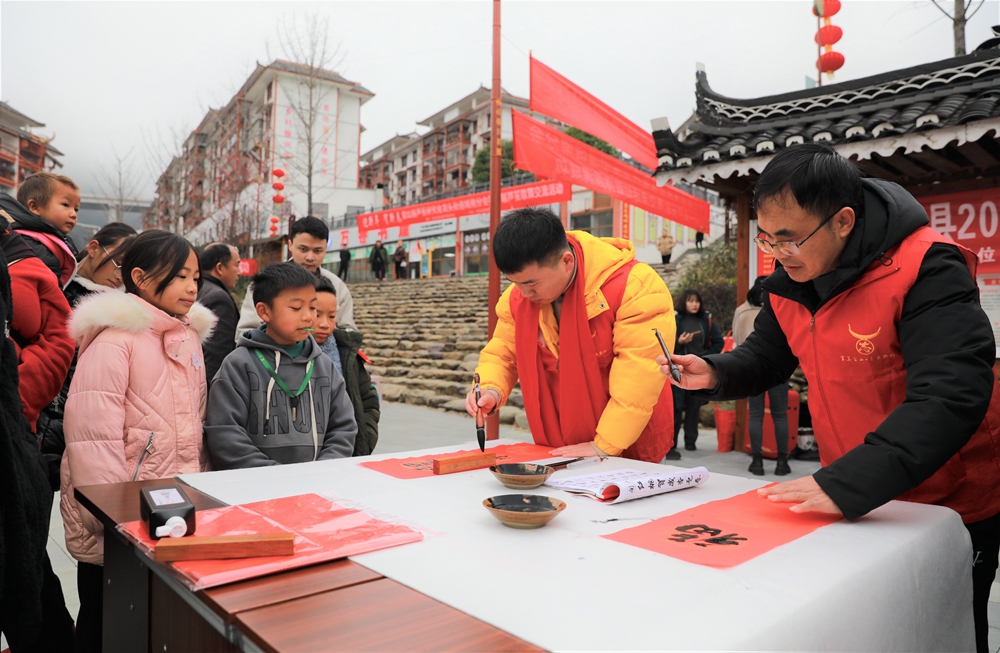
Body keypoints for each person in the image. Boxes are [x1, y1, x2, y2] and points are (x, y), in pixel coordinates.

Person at [658, 143, 1000, 653]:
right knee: (872, 625)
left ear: (843, 221)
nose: (777, 252)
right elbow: (768, 358)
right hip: (855, 491)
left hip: (948, 495)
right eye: (767, 238)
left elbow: (950, 394)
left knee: (941, 627)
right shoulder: (788, 282)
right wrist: (713, 372)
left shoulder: (927, 266)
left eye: (790, 238)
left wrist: (849, 483)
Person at [61, 230, 215, 652]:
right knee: (105, 621)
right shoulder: (116, 339)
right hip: (122, 519)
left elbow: (193, 429)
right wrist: (114, 514)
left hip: (169, 511)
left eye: (196, 277)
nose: (192, 287)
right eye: (180, 276)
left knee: (153, 623)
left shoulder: (187, 339)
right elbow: (93, 436)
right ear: (142, 278)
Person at [466, 207, 675, 463]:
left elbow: (639, 378)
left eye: (531, 283)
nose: (524, 293)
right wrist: (490, 389)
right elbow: (502, 352)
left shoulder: (635, 287)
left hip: (630, 443)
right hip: (561, 441)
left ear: (566, 261)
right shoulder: (517, 298)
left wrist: (605, 445)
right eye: (514, 282)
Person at [0, 223, 76, 652]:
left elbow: (54, 340)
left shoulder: (20, 257)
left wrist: (15, 397)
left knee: (28, 568)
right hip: (28, 433)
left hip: (21, 435)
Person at [206, 263, 357, 468]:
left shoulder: (324, 366)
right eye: (296, 308)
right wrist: (275, 476)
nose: (308, 316)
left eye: (312, 307)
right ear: (264, 311)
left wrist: (323, 471)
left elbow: (344, 428)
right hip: (257, 489)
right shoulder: (238, 365)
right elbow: (226, 434)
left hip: (316, 486)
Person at [35, 222, 137, 490]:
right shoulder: (55, 284)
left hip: (82, 424)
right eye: (118, 263)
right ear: (94, 248)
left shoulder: (124, 311)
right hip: (42, 413)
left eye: (127, 270)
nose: (120, 276)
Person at [1, 198, 75, 439]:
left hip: (13, 427)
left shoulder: (21, 256)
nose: (73, 214)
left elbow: (60, 337)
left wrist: (17, 397)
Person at [237, 216, 356, 336]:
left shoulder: (337, 286)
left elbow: (348, 333)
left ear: (325, 249)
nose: (310, 257)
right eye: (303, 249)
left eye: (317, 251)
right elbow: (245, 333)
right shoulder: (267, 282)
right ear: (290, 245)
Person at [312, 280, 380, 455]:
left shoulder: (348, 353)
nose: (325, 324)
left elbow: (368, 401)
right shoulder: (287, 353)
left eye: (331, 316)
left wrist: (365, 437)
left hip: (347, 454)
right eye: (317, 315)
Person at [732, 275, 790, 476]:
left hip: (751, 368)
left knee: (755, 416)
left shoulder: (741, 310)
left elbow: (737, 339)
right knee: (780, 415)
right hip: (779, 367)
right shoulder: (781, 306)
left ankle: (757, 462)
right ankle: (783, 463)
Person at [666, 289, 723, 459]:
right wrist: (679, 342)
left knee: (694, 407)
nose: (694, 304)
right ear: (684, 302)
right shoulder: (676, 320)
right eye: (690, 301)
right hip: (679, 370)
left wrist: (705, 359)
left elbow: (718, 342)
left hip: (697, 369)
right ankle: (672, 444)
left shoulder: (706, 321)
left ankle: (691, 441)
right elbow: (666, 345)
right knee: (676, 407)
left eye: (696, 301)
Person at [4, 172, 81, 288]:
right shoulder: (32, 245)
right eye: (66, 205)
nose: (73, 214)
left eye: (76, 209)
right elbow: (48, 291)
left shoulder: (57, 240)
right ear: (35, 207)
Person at [198, 243, 241, 384]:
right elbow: (216, 357)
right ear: (220, 267)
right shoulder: (219, 299)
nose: (239, 272)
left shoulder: (198, 288)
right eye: (236, 265)